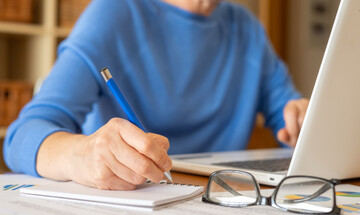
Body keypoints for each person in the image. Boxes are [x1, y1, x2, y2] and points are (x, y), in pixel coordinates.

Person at [3, 0, 309, 190]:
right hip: (139, 202)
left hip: (222, 199)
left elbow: (289, 117)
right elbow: (21, 136)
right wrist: (81, 154)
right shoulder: (113, 14)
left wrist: (302, 119)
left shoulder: (247, 28)